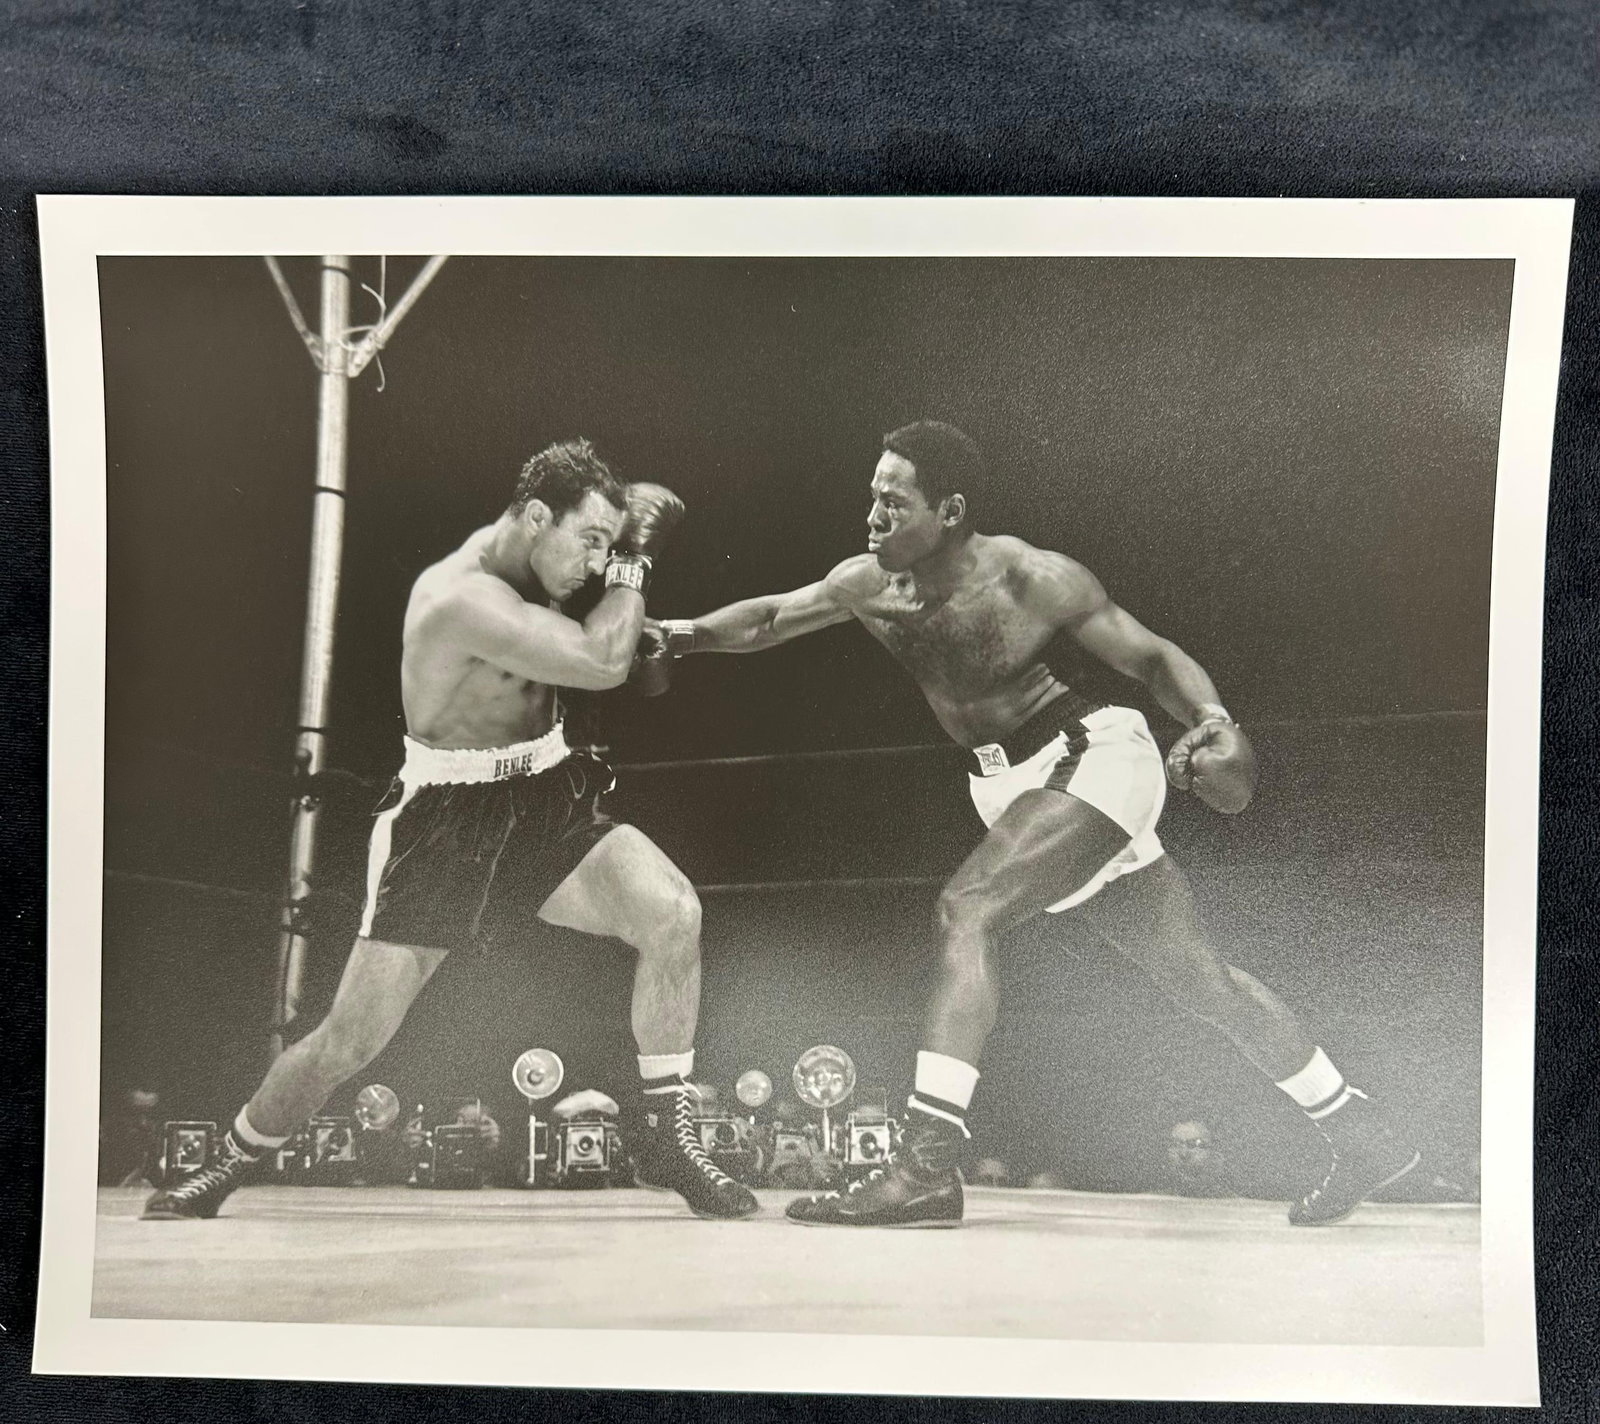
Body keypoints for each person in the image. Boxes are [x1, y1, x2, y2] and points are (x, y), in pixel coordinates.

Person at [643, 420, 1419, 1229]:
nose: (872, 516)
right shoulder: (868, 583)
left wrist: (1214, 716)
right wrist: (685, 636)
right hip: (1013, 785)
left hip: (1094, 758)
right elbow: (772, 617)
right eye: (871, 496)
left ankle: (925, 1167)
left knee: (966, 909)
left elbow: (1150, 657)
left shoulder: (1032, 577)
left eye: (893, 501)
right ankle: (1357, 1126)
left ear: (948, 509)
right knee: (1201, 981)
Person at [145, 439, 757, 1222]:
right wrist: (636, 559)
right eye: (591, 541)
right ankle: (227, 1164)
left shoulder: (538, 568)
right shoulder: (460, 597)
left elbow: (610, 658)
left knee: (673, 912)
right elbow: (605, 663)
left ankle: (667, 1131)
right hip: (447, 822)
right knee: (350, 1040)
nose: (599, 562)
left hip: (546, 789)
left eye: (610, 543)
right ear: (537, 517)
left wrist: (627, 607)